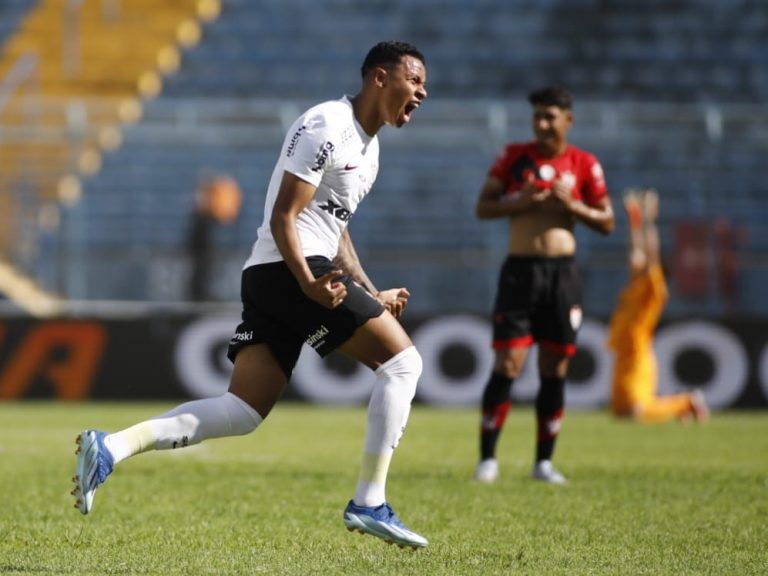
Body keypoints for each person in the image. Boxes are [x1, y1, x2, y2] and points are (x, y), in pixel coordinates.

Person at [72, 41, 429, 549]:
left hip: (280, 273)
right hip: (293, 270)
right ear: (379, 76)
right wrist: (307, 281)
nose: (422, 91)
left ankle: (111, 447)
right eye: (414, 80)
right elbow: (285, 215)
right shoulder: (328, 124)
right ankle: (369, 502)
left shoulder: (370, 150)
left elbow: (335, 228)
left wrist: (372, 291)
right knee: (402, 365)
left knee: (242, 411)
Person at [473, 86, 615, 485]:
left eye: (549, 116)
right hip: (520, 272)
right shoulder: (514, 158)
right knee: (507, 365)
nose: (541, 124)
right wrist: (521, 200)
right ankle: (487, 459)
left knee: (555, 366)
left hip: (562, 276)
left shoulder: (584, 164)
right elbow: (483, 207)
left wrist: (574, 206)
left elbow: (607, 222)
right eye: (537, 116)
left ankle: (543, 463)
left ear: (568, 120)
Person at [607, 188, 709, 422]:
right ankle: (681, 406)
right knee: (621, 412)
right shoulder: (636, 285)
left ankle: (686, 401)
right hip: (624, 351)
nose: (635, 261)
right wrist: (634, 218)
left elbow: (650, 255)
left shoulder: (654, 288)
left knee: (636, 412)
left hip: (637, 353)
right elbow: (636, 254)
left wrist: (648, 220)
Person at [187, 173, 243, 301]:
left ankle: (203, 294)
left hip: (204, 233)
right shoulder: (202, 209)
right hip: (202, 235)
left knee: (205, 267)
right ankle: (201, 294)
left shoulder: (207, 198)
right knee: (202, 267)